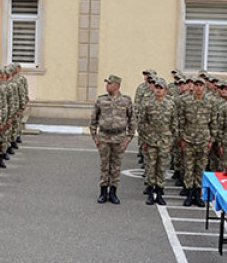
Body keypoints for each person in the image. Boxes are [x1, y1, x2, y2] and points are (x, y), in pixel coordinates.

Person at [89, 74, 134, 204]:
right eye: (107, 83)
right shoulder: (101, 100)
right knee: (104, 165)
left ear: (117, 86)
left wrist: (129, 138)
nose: (107, 85)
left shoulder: (126, 101)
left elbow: (132, 119)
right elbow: (93, 119)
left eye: (109, 83)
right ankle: (103, 192)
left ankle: (113, 192)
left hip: (119, 137)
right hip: (104, 137)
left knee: (116, 166)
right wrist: (94, 136)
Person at [137, 76, 175, 205]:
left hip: (165, 140)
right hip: (151, 139)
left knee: (162, 167)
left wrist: (172, 142)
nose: (158, 90)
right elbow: (142, 123)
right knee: (151, 166)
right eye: (157, 88)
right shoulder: (148, 103)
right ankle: (150, 191)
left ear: (165, 90)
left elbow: (174, 123)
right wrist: (144, 141)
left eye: (161, 88)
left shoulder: (171, 104)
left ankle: (159, 192)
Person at [175, 77, 213, 207]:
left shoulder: (210, 103)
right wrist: (181, 138)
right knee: (189, 167)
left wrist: (211, 140)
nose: (198, 88)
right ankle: (189, 193)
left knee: (200, 168)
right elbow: (181, 121)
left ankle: (198, 194)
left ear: (204, 87)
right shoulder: (186, 102)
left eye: (200, 85)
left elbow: (214, 123)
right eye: (196, 85)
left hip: (203, 140)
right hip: (189, 139)